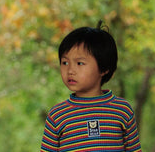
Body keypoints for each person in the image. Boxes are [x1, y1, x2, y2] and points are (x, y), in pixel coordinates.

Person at [40, 23, 142, 152]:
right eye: (65, 62)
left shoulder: (122, 110)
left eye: (79, 63)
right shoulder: (57, 115)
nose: (70, 70)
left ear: (104, 68)